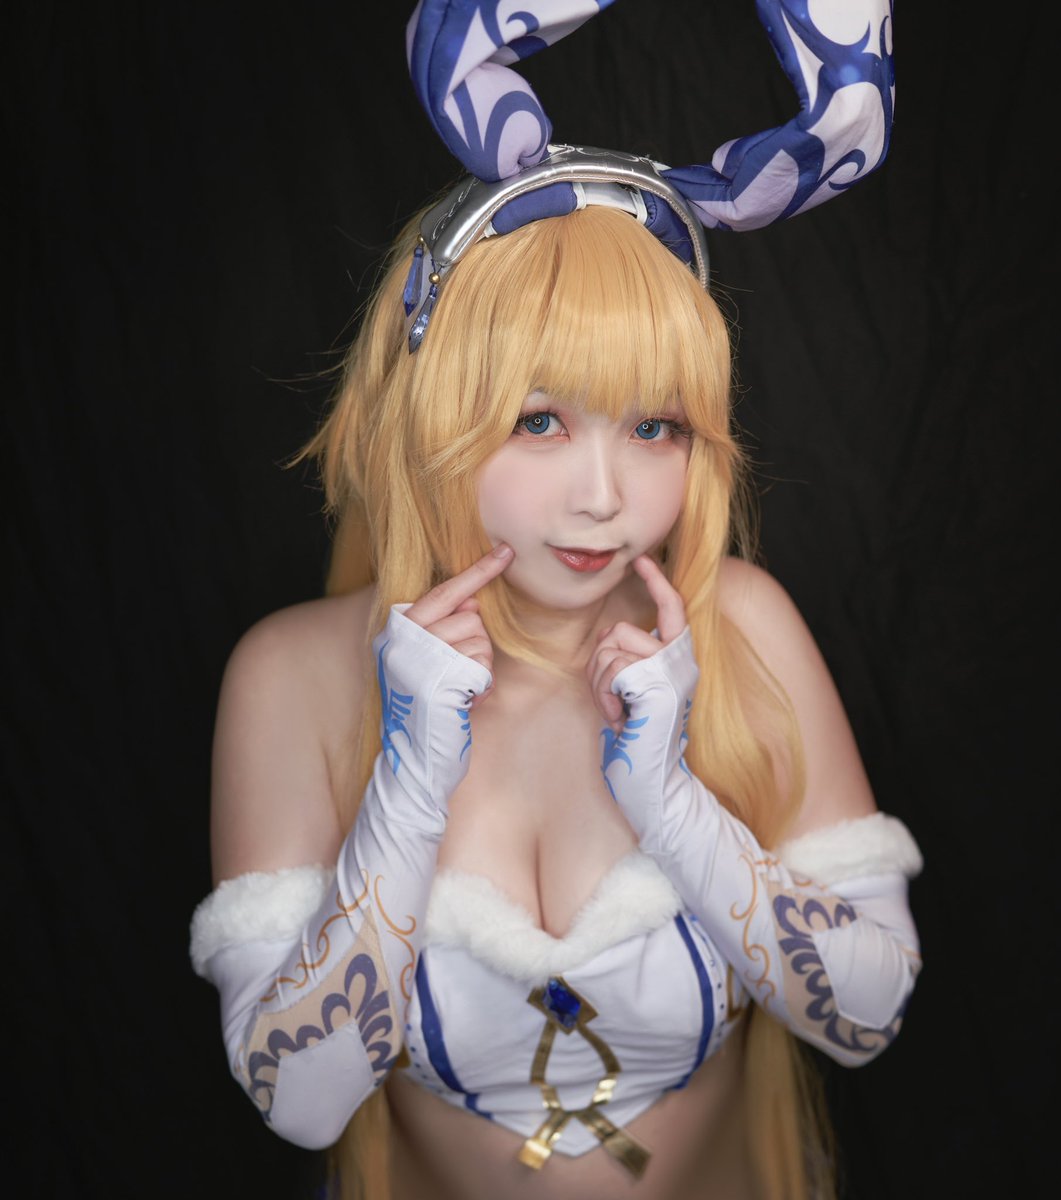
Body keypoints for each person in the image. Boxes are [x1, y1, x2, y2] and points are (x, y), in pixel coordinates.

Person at [190, 4, 919, 1199]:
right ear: (427, 417)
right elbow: (302, 1102)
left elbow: (864, 1020)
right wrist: (408, 781)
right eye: (537, 422)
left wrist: (672, 802)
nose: (602, 497)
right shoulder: (296, 677)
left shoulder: (741, 627)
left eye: (654, 427)